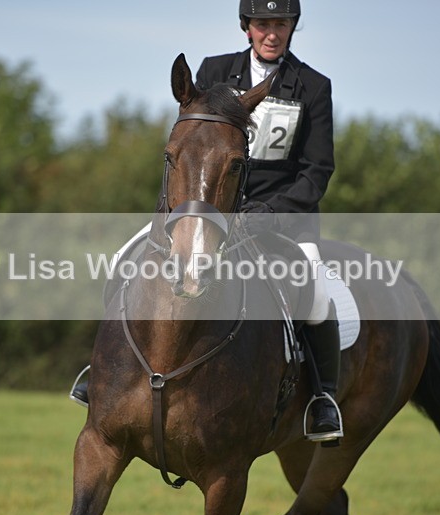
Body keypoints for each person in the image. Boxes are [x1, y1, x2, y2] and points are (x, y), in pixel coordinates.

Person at [72, 0, 343, 444]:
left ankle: (323, 400)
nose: (271, 33)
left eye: (280, 24)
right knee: (125, 259)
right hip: (205, 209)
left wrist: (269, 213)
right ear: (247, 28)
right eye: (262, 24)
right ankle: (101, 369)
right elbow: (196, 145)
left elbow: (317, 171)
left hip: (280, 217)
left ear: (292, 27)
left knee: (314, 289)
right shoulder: (214, 70)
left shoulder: (312, 85)